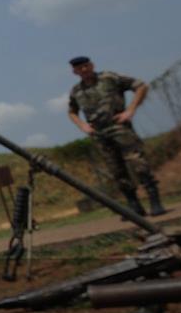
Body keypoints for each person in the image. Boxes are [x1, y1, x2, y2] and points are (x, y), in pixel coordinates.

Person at [66, 56, 166, 216]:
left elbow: (140, 86)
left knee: (138, 163)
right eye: (79, 68)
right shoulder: (76, 91)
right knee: (116, 170)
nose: (84, 70)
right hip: (99, 134)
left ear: (92, 65)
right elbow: (72, 112)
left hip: (119, 127)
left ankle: (155, 201)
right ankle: (134, 206)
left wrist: (130, 110)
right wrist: (83, 126)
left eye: (86, 66)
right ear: (74, 72)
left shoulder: (109, 78)